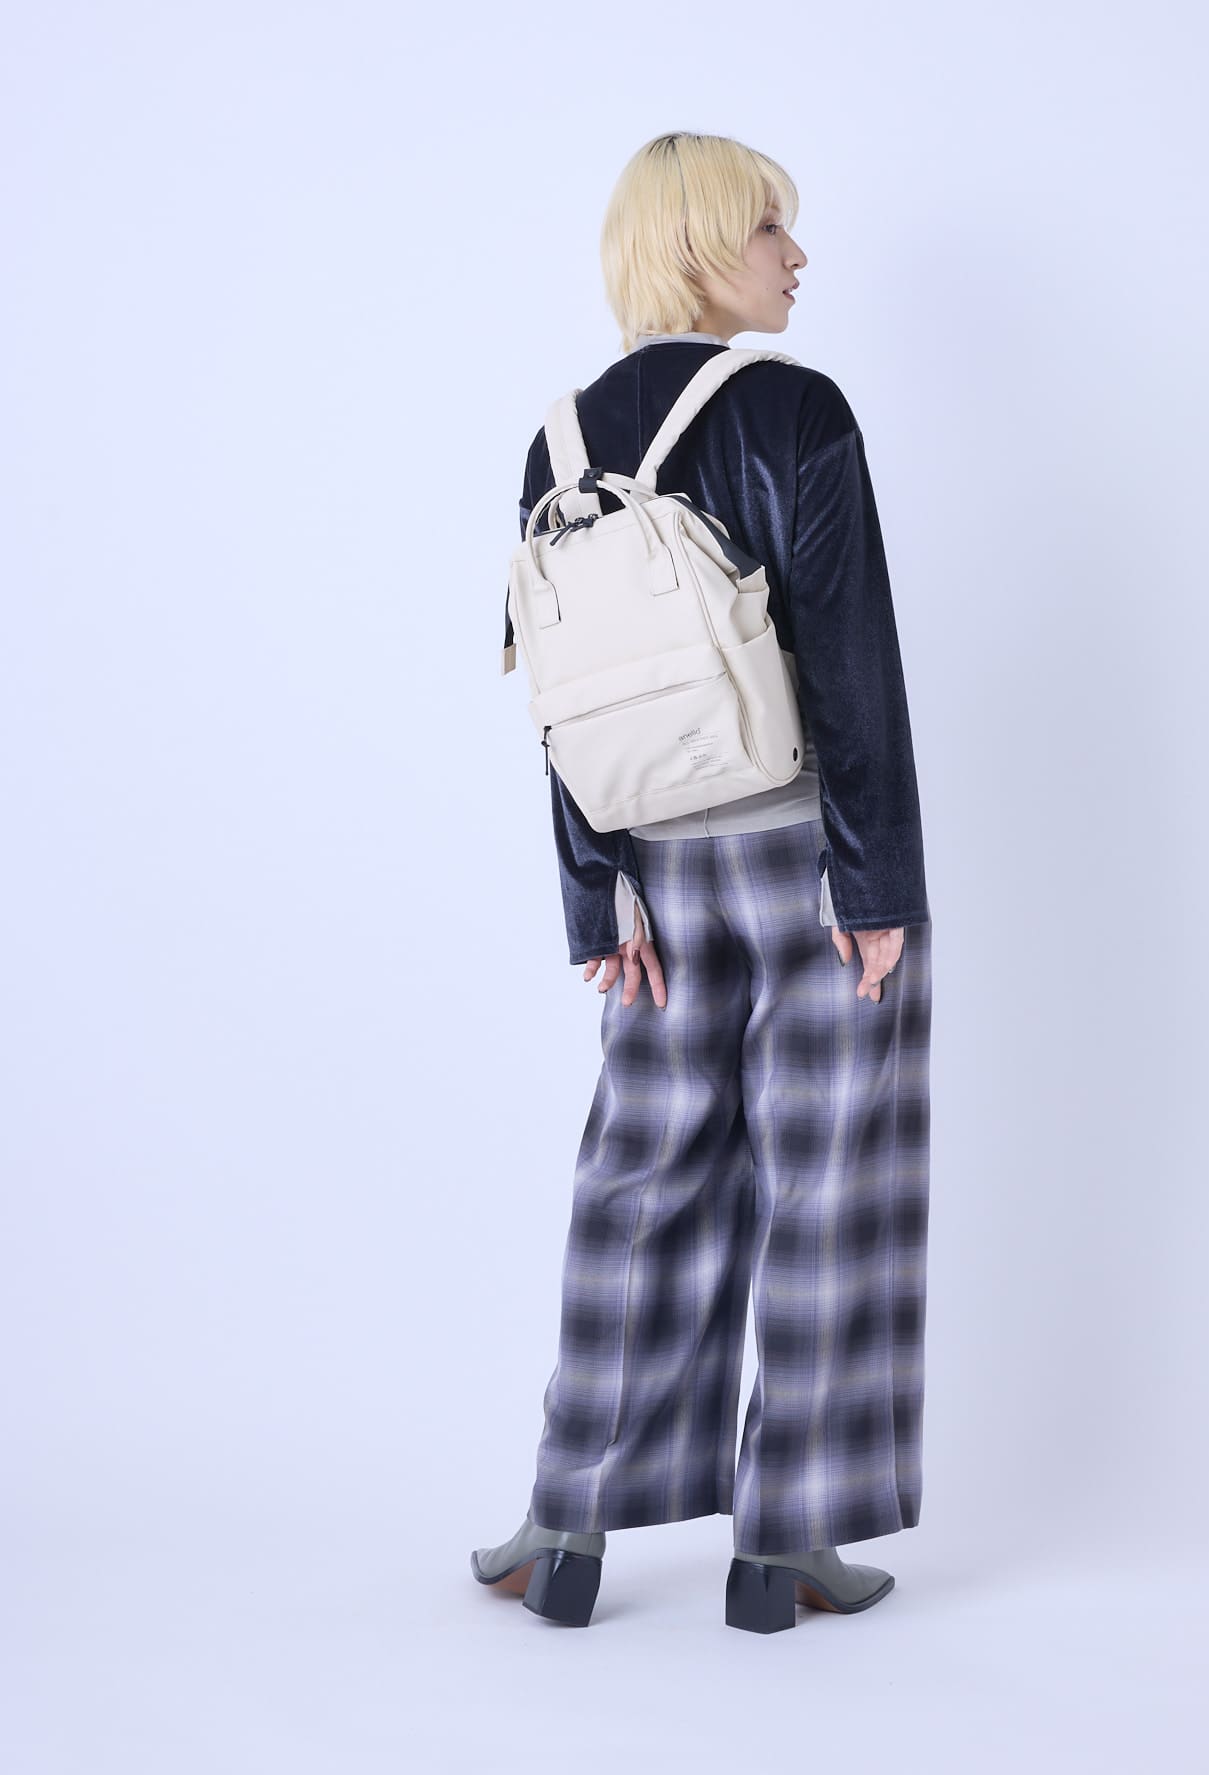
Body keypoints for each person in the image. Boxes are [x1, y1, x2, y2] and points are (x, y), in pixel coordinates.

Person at [471, 131, 933, 1633]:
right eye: (768, 227)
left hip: (653, 881)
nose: (797, 256)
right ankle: (785, 1545)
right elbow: (850, 663)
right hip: (808, 861)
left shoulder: (552, 446)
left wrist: (593, 895)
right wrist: (877, 883)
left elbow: (561, 698)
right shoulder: (795, 408)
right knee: (829, 1187)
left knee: (639, 1184)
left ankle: (566, 1525)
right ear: (695, 247)